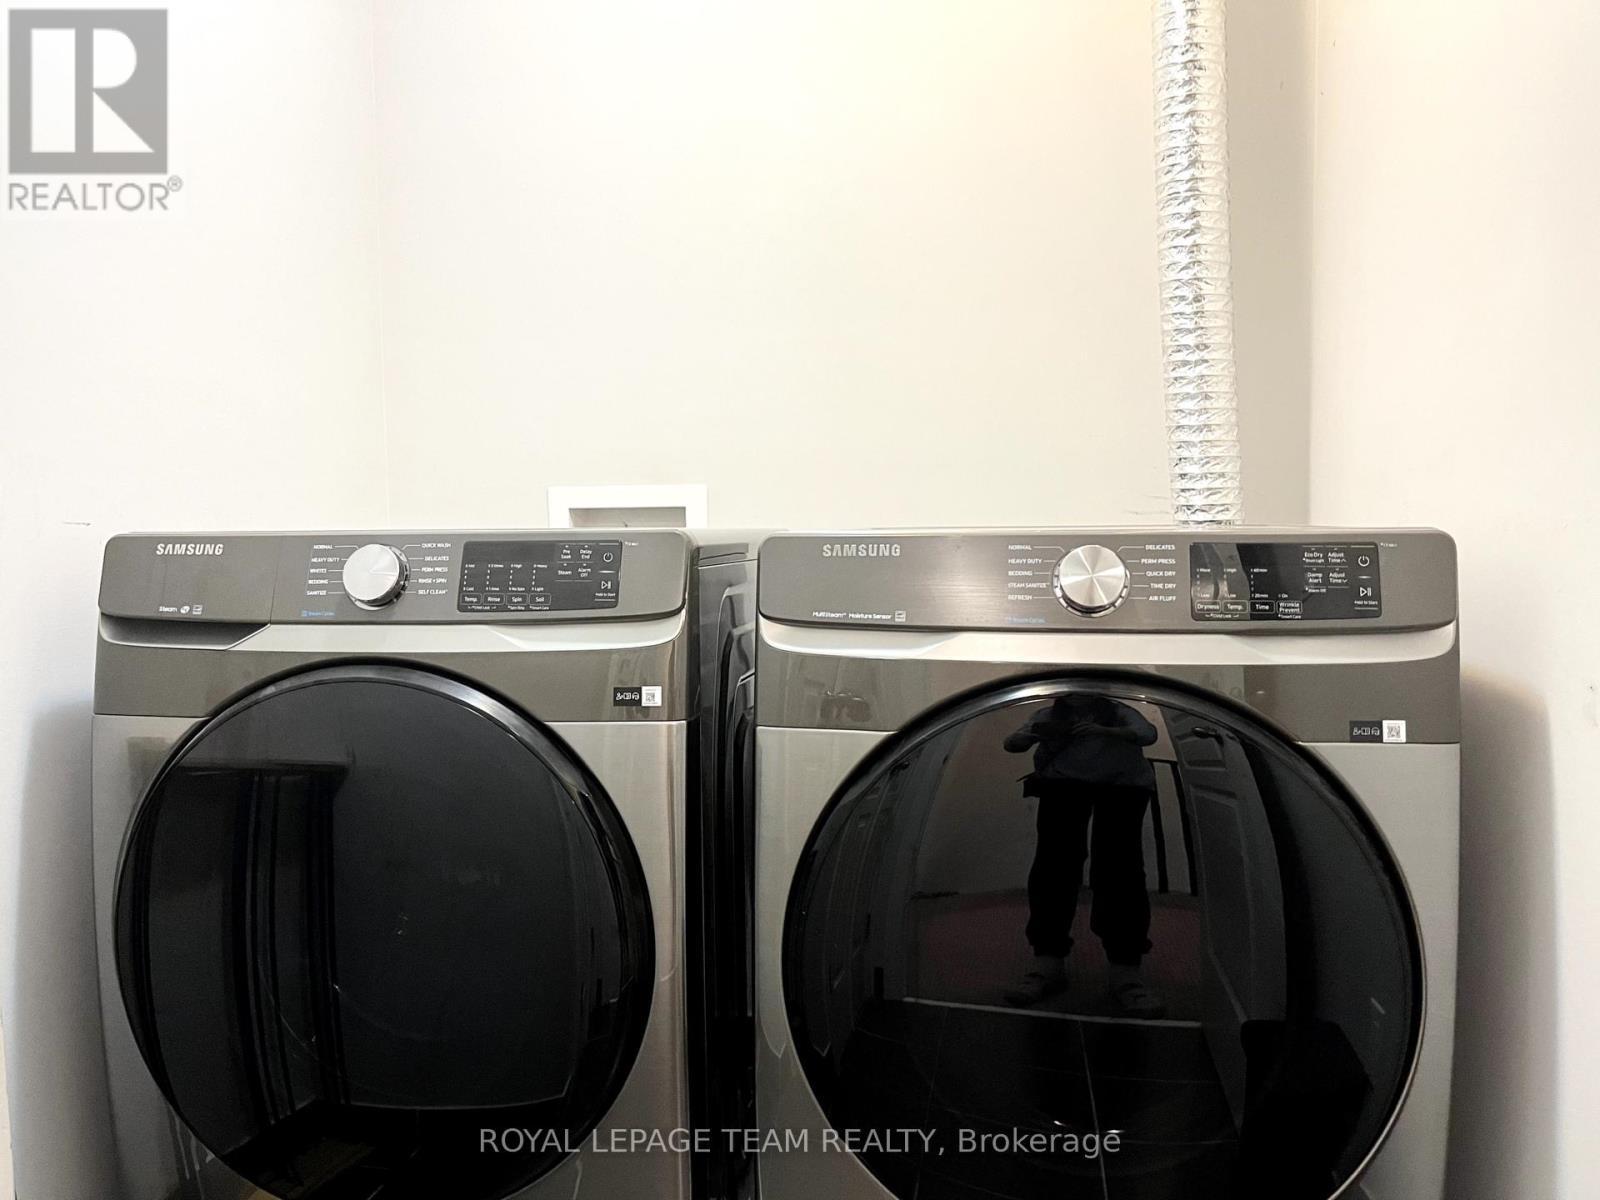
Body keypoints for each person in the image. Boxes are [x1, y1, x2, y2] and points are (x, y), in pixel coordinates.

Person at [1002, 694, 1165, 1017]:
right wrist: (1037, 733)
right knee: (1054, 869)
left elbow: (1148, 734)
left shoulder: (1120, 713)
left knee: (1120, 871)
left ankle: (1124, 971)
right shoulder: (1048, 714)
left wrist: (1104, 731)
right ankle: (1050, 963)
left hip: (1121, 789)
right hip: (1069, 788)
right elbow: (1013, 743)